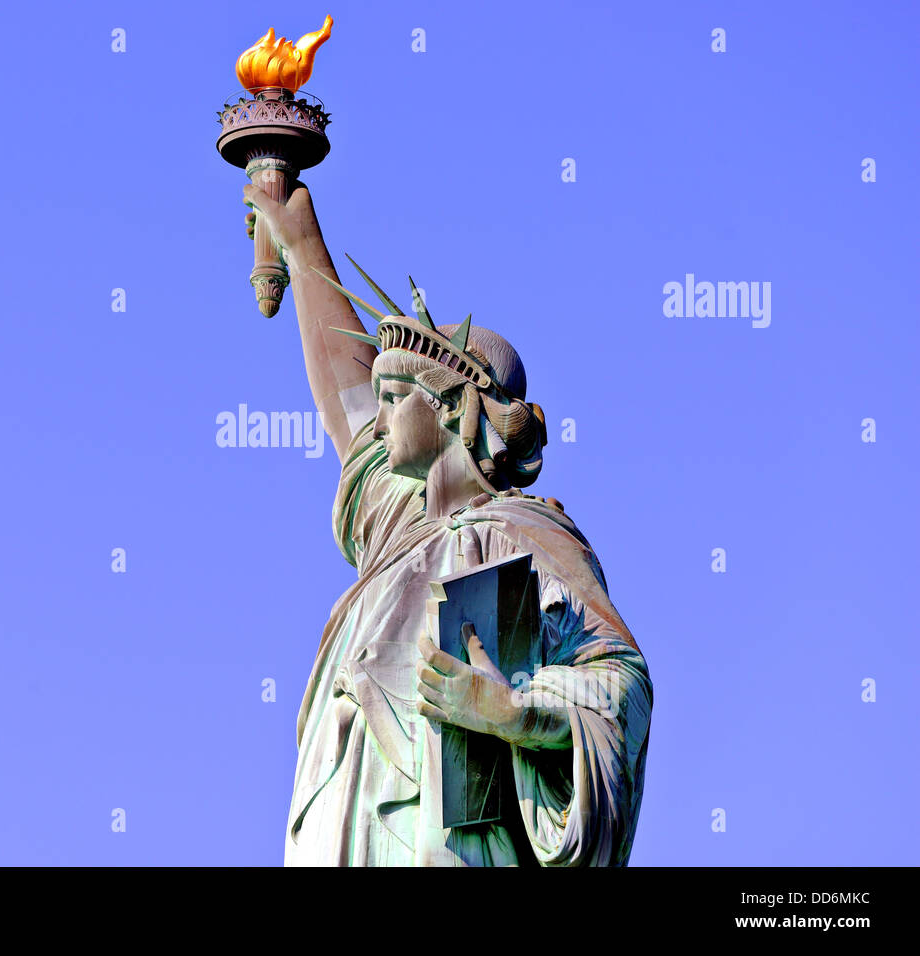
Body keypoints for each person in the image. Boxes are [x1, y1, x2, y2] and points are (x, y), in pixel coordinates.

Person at [242, 179, 653, 867]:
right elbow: (350, 417)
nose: (378, 420)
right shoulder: (399, 533)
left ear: (454, 409)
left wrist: (518, 711)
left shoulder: (518, 533)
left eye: (396, 397)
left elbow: (620, 679)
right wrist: (299, 239)